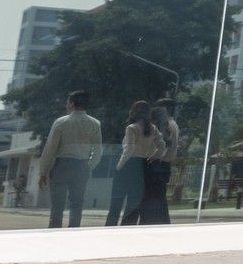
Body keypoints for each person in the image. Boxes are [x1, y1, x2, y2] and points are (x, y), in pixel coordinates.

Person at [37, 90, 103, 229]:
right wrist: (88, 167)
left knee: (57, 204)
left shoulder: (61, 122)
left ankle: (55, 231)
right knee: (77, 204)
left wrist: (43, 172)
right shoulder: (95, 123)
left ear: (72, 104)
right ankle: (73, 232)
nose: (66, 105)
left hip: (62, 165)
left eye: (67, 102)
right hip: (82, 165)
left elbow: (50, 149)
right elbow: (98, 151)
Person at [113, 100, 164, 228]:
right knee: (137, 198)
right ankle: (132, 224)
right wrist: (154, 156)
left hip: (131, 163)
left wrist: (119, 165)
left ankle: (125, 224)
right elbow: (162, 145)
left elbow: (129, 149)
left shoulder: (131, 128)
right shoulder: (153, 128)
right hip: (145, 164)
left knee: (124, 196)